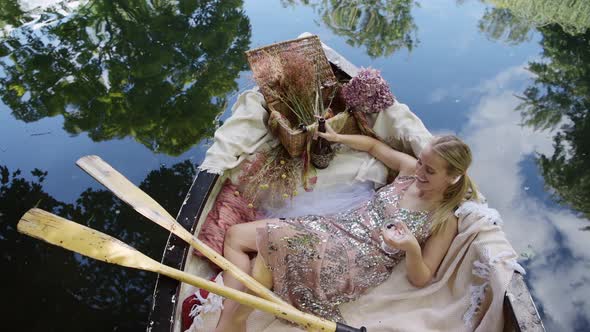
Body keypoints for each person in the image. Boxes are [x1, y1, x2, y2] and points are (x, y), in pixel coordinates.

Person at [214, 125, 479, 332]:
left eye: (430, 170)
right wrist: (338, 138)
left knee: (272, 244)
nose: (420, 171)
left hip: (353, 260)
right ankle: (231, 311)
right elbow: (375, 147)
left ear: (452, 177)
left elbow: (421, 278)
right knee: (236, 235)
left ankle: (233, 320)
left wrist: (410, 247)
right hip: (333, 227)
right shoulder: (409, 171)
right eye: (421, 161)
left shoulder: (444, 219)